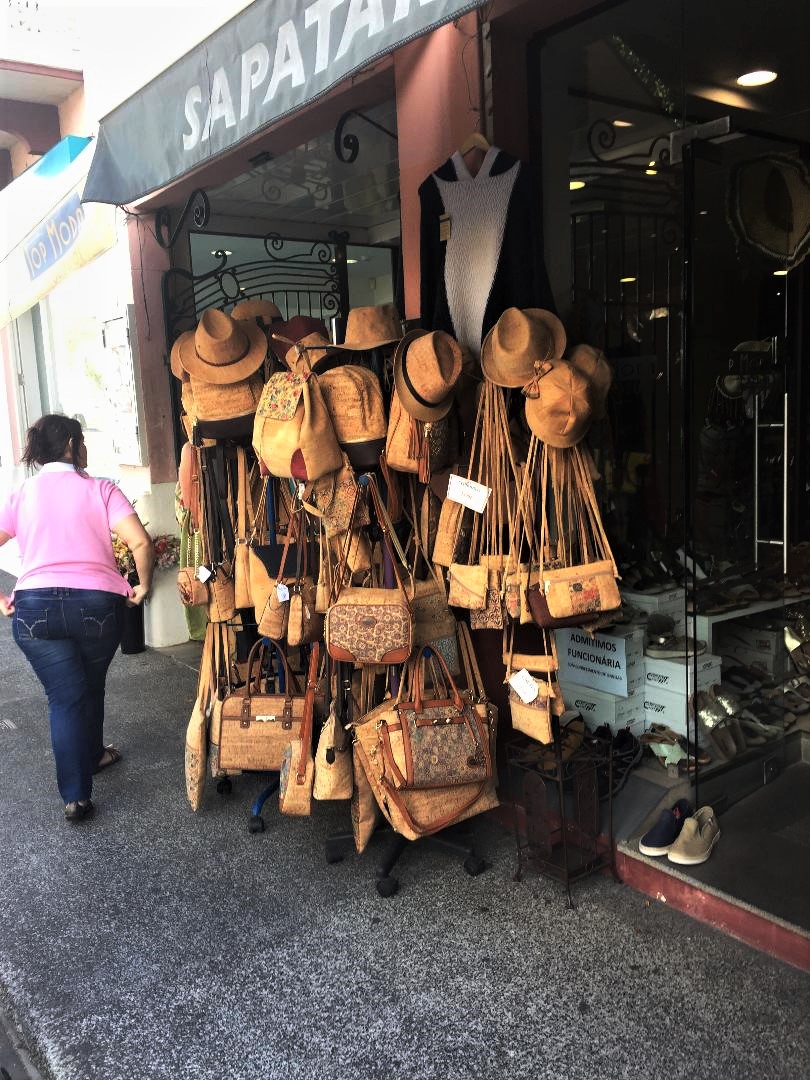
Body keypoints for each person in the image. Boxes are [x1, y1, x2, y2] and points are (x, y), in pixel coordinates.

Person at [0, 414, 154, 821]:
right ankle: (86, 772)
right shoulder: (101, 489)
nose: (86, 449)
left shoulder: (23, 494)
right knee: (89, 685)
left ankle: (81, 784)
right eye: (82, 440)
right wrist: (142, 586)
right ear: (71, 444)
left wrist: (2, 598)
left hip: (34, 610)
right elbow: (139, 541)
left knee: (67, 696)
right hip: (97, 605)